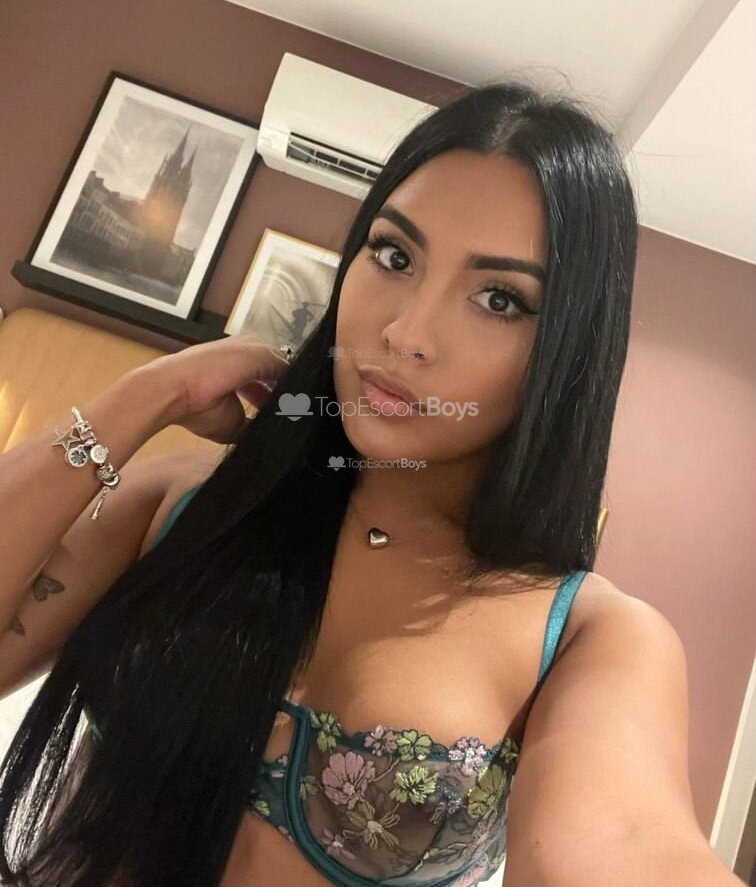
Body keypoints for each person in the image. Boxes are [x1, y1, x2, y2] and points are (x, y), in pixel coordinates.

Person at [0, 82, 744, 887]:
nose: (405, 332)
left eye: (500, 299)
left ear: (568, 352)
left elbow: (628, 843)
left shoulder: (590, 637)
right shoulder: (191, 501)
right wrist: (145, 397)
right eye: (394, 256)